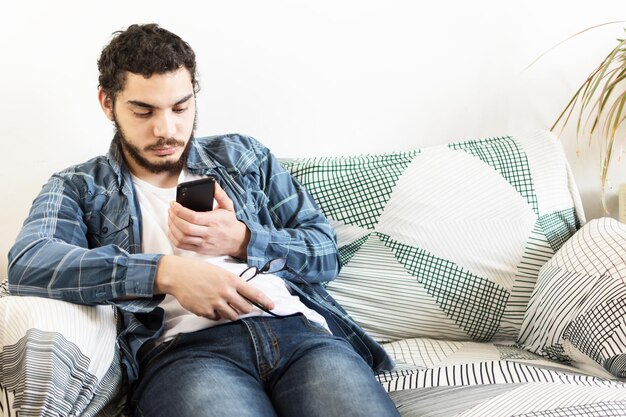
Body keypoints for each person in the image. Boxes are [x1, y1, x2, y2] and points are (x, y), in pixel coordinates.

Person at [8, 23, 399, 417]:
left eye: (180, 108)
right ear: (107, 104)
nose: (167, 130)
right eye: (143, 111)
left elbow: (325, 253)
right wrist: (166, 272)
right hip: (185, 353)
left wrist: (244, 239)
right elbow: (30, 262)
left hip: (298, 333)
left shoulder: (243, 156)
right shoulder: (80, 186)